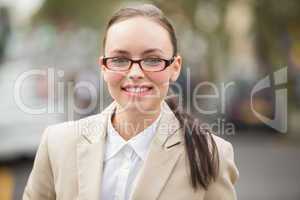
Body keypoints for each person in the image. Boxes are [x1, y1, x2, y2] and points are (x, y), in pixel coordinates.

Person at [23, 4, 239, 200]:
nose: (135, 72)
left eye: (153, 60)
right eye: (120, 59)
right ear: (104, 67)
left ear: (175, 67)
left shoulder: (212, 155)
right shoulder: (57, 144)